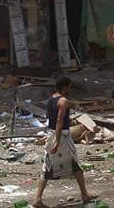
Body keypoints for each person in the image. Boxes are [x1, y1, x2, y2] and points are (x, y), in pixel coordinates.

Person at [31, 78, 97, 208]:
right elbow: (59, 121)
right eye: (69, 87)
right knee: (74, 164)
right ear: (65, 87)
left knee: (48, 167)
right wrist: (57, 140)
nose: (70, 89)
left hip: (51, 134)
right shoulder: (63, 101)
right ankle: (84, 194)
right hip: (61, 136)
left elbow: (52, 119)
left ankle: (38, 199)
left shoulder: (51, 99)